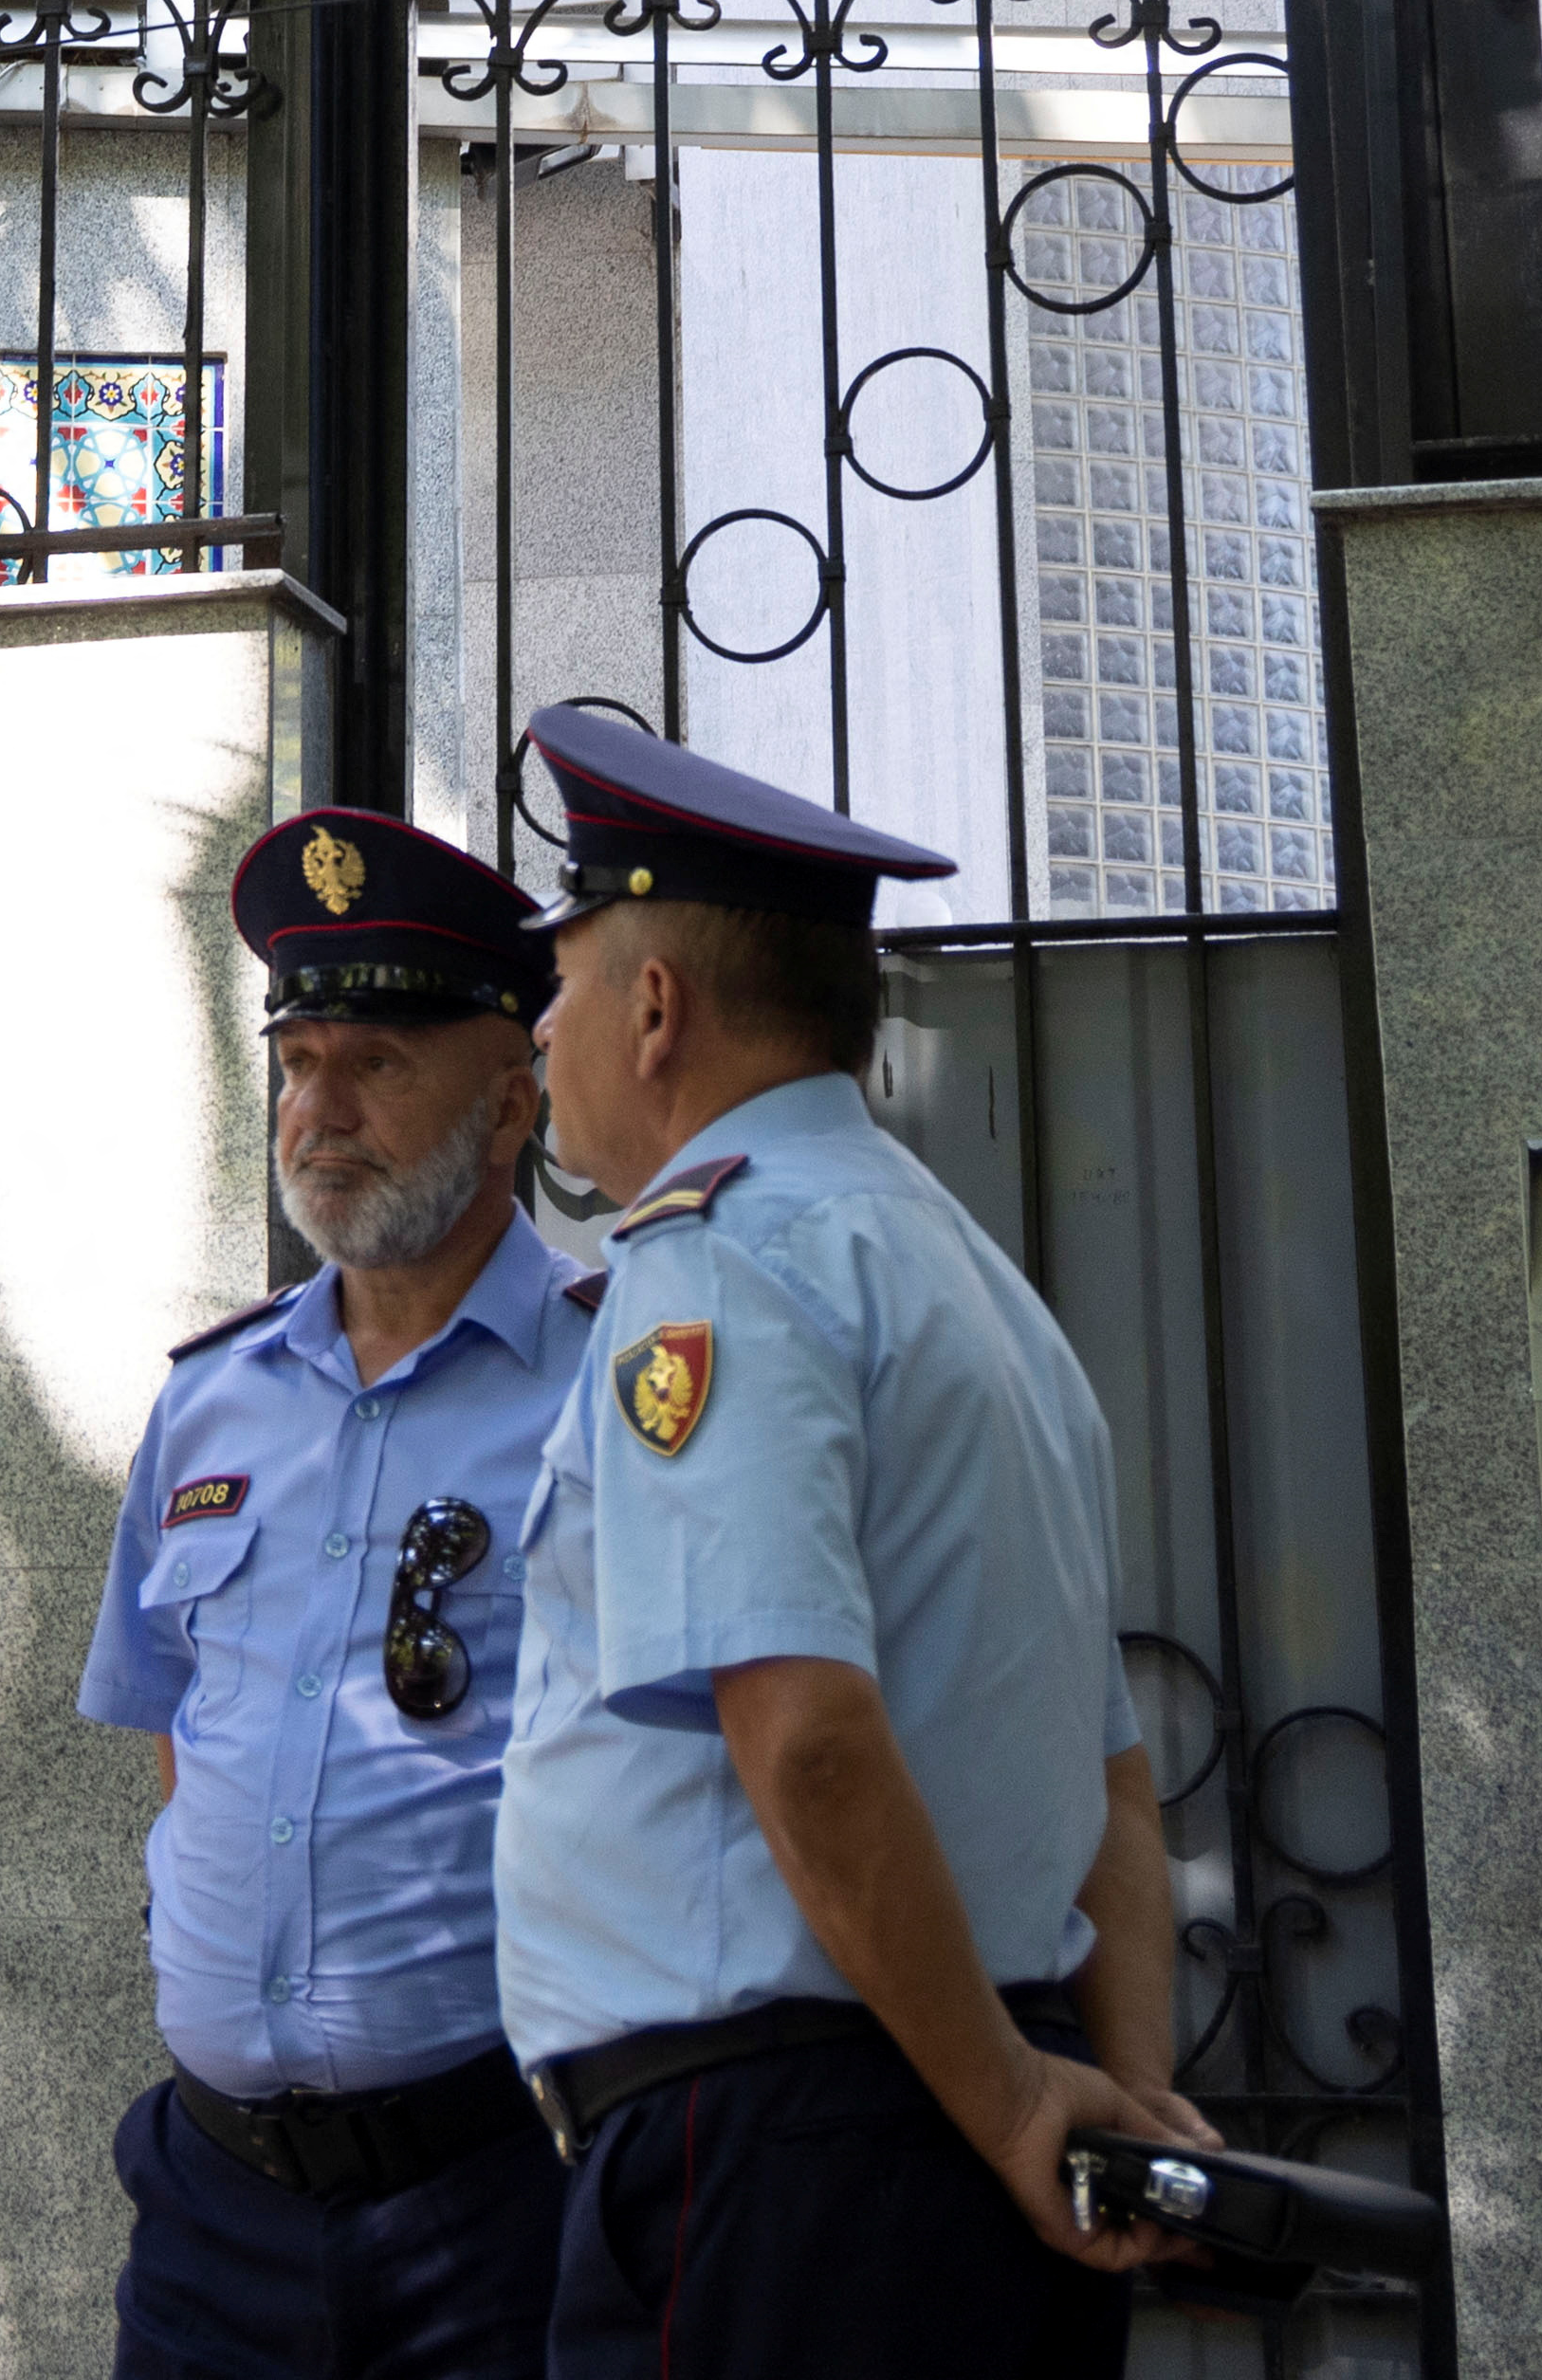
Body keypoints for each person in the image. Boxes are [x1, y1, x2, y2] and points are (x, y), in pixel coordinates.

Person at [490, 705, 1221, 2379]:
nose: (540, 1028)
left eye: (569, 977)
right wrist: (1108, 2099)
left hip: (785, 2162)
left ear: (655, 1008)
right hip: (962, 2128)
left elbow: (807, 1733)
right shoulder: (979, 1284)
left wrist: (1030, 2102)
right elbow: (1111, 1781)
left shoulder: (720, 1263)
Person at [73, 805, 597, 2380]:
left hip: (501, 2196)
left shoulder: (616, 1375)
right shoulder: (209, 1402)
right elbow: (185, 1719)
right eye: (299, 1061)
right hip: (215, 2205)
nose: (322, 1108)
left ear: (510, 1101)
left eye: (378, 1061)